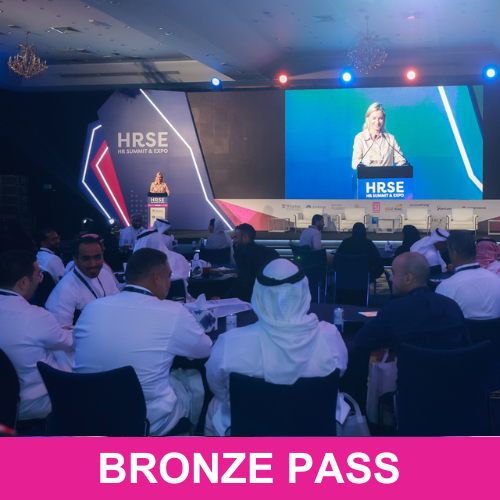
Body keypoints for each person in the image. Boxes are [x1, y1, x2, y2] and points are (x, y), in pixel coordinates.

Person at [73, 248, 212, 436]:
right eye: (169, 276)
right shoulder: (172, 312)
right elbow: (205, 349)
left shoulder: (91, 308)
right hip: (147, 423)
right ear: (157, 278)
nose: (170, 283)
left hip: (88, 418)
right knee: (192, 378)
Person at [205, 259, 348, 436]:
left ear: (258, 295)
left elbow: (217, 387)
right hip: (316, 437)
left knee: (217, 403)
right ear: (304, 292)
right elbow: (339, 374)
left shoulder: (229, 343)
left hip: (248, 438)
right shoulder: (330, 337)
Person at [0, 251, 73, 423]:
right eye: (39, 274)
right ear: (24, 282)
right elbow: (71, 343)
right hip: (31, 405)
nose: (41, 278)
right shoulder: (36, 316)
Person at [355, 252, 470, 350]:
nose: (390, 278)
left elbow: (362, 339)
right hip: (452, 369)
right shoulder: (451, 306)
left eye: (393, 273)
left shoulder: (395, 310)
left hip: (410, 370)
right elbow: (466, 345)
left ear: (407, 278)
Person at [46, 235, 120, 327]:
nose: (93, 264)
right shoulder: (64, 290)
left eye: (97, 257)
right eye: (86, 259)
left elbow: (118, 303)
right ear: (75, 260)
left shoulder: (105, 274)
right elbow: (60, 330)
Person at [435, 231, 500, 320]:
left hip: (461, 329)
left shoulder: (445, 288)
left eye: (449, 252)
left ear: (454, 254)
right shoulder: (496, 280)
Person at [221, 223, 279, 303]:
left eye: (235, 237)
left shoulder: (244, 254)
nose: (233, 240)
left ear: (245, 238)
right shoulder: (266, 251)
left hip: (249, 299)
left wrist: (222, 298)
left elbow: (243, 283)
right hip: (269, 297)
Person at [352, 102, 406, 170]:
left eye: (380, 118)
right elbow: (355, 164)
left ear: (384, 119)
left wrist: (404, 165)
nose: (377, 122)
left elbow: (401, 160)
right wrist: (370, 159)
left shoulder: (390, 139)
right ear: (367, 118)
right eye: (374, 118)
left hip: (388, 176)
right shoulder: (360, 138)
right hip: (368, 176)